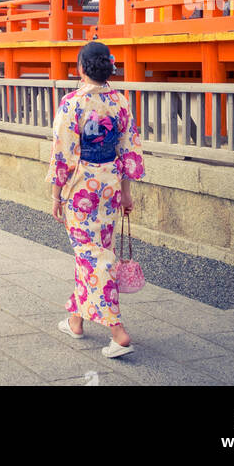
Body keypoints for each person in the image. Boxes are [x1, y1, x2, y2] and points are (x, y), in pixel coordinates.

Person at [48, 41, 144, 357]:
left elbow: (62, 153)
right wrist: (127, 193)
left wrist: (56, 194)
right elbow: (129, 148)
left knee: (92, 256)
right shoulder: (120, 102)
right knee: (92, 252)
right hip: (111, 185)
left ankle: (117, 331)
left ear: (81, 68)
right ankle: (75, 320)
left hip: (82, 188)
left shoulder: (72, 104)